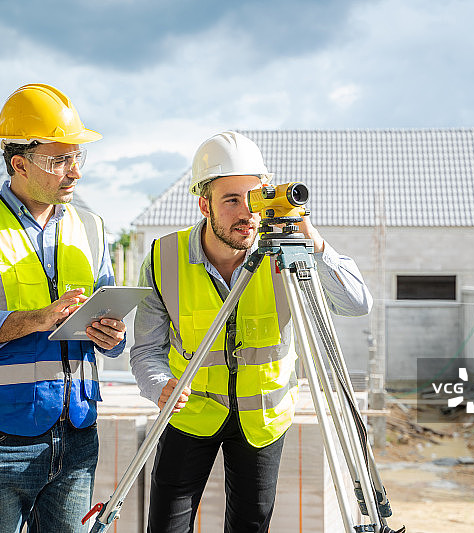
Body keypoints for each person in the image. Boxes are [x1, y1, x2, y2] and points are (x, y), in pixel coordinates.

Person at [130, 131, 373, 533]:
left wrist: (312, 241)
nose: (247, 213)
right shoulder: (163, 257)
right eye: (231, 200)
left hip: (262, 419)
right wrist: (159, 386)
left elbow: (356, 303)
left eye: (254, 197)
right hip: (189, 414)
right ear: (203, 203)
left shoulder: (286, 252)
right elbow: (146, 350)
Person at [0, 83, 127, 533]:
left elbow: (109, 322)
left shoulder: (91, 226)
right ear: (19, 163)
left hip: (77, 435)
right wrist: (37, 319)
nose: (74, 172)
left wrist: (112, 337)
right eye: (59, 160)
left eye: (78, 158)